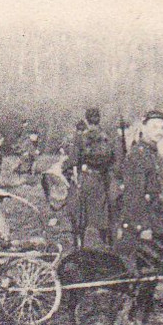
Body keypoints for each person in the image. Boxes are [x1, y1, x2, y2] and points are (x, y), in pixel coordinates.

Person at [116, 110, 163, 323]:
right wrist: (143, 226)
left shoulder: (154, 154)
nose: (159, 131)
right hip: (144, 221)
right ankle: (137, 315)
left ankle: (145, 311)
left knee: (155, 267)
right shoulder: (137, 155)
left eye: (162, 128)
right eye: (154, 127)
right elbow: (133, 196)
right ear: (143, 128)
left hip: (158, 219)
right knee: (146, 268)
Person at [70, 107, 118, 250]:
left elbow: (74, 160)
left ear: (87, 119)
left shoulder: (80, 137)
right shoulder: (107, 136)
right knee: (104, 211)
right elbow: (114, 158)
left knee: (80, 210)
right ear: (99, 118)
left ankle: (79, 244)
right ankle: (108, 243)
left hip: (87, 177)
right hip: (103, 178)